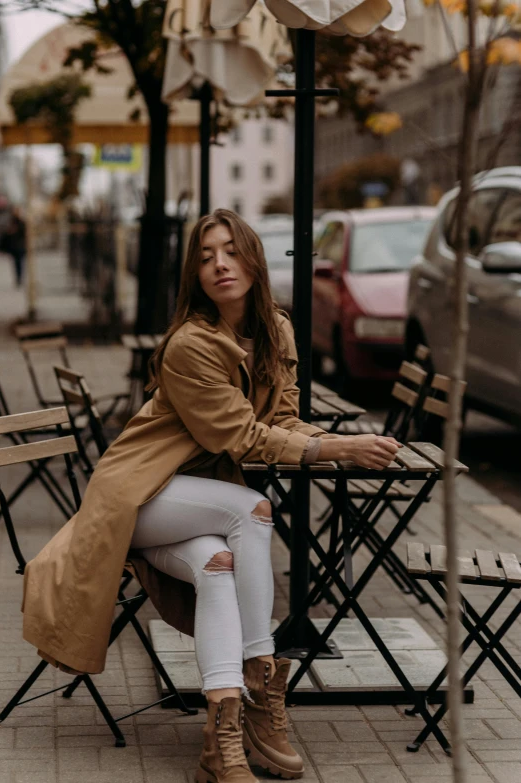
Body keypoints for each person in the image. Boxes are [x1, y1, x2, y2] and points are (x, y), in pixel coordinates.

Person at [22, 209, 400, 783]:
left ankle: (219, 745)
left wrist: (334, 441)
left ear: (253, 259)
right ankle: (263, 688)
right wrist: (341, 451)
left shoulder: (276, 329)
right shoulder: (191, 345)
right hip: (138, 495)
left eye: (229, 251)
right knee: (253, 510)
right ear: (194, 276)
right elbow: (242, 437)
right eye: (204, 257)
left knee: (219, 566)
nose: (219, 264)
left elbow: (287, 420)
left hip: (195, 500)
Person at [3, 207, 26, 287]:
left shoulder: (21, 223)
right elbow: (6, 235)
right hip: (14, 247)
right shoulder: (11, 222)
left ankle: (19, 278)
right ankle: (18, 278)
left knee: (19, 263)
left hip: (20, 246)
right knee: (16, 263)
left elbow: (25, 234)